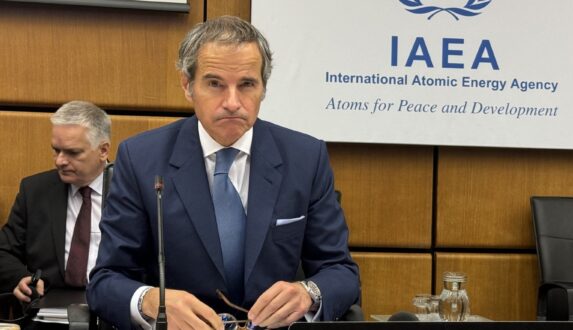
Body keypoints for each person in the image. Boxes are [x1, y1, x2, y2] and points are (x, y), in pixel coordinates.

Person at [87, 16, 360, 330]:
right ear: (187, 86)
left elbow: (340, 272)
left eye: (246, 84)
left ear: (263, 88)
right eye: (215, 83)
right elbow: (106, 281)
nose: (232, 103)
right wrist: (151, 301)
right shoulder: (141, 158)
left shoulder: (305, 158)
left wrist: (308, 293)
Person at [0, 101, 111, 301]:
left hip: (114, 310)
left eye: (73, 152)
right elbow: (4, 252)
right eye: (56, 150)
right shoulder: (35, 191)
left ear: (103, 151)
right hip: (47, 307)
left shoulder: (132, 192)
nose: (60, 160)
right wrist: (21, 277)